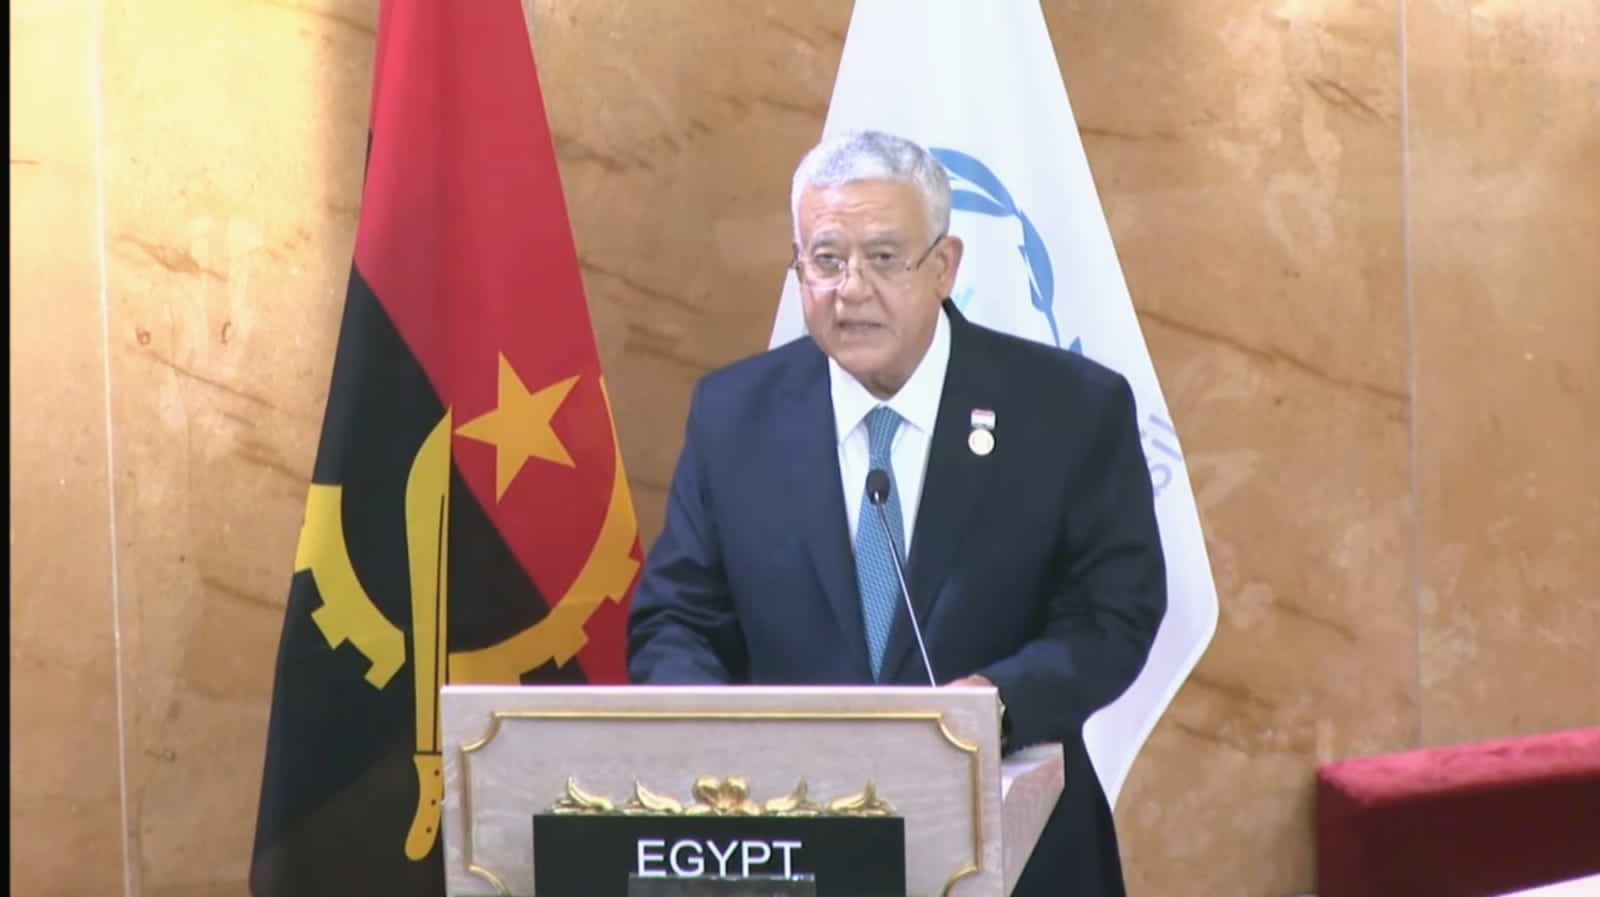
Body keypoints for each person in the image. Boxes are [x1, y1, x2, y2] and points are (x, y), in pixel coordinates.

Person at [627, 129, 1167, 897]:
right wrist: (717, 733)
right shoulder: (734, 415)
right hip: (787, 851)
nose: (851, 289)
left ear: (944, 266)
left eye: (884, 257)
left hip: (1017, 851)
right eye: (826, 259)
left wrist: (997, 702)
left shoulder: (1069, 410)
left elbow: (1113, 613)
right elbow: (676, 618)